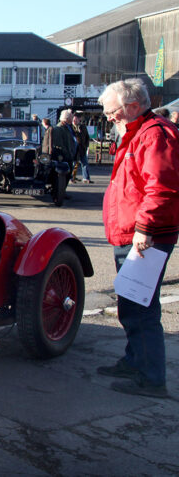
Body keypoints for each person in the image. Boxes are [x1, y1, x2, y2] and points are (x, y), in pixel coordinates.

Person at [96, 78, 179, 398]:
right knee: (131, 302)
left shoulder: (155, 136)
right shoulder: (138, 134)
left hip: (146, 237)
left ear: (132, 106)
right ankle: (135, 361)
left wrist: (144, 228)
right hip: (133, 234)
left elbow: (161, 188)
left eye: (111, 112)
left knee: (141, 307)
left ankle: (151, 377)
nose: (108, 117)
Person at [72, 114, 92, 183]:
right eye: (73, 119)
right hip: (74, 149)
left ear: (78, 120)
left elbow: (87, 137)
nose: (74, 121)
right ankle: (71, 178)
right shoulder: (70, 127)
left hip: (82, 148)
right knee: (73, 164)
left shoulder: (83, 127)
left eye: (76, 119)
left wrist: (86, 146)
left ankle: (86, 178)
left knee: (85, 163)